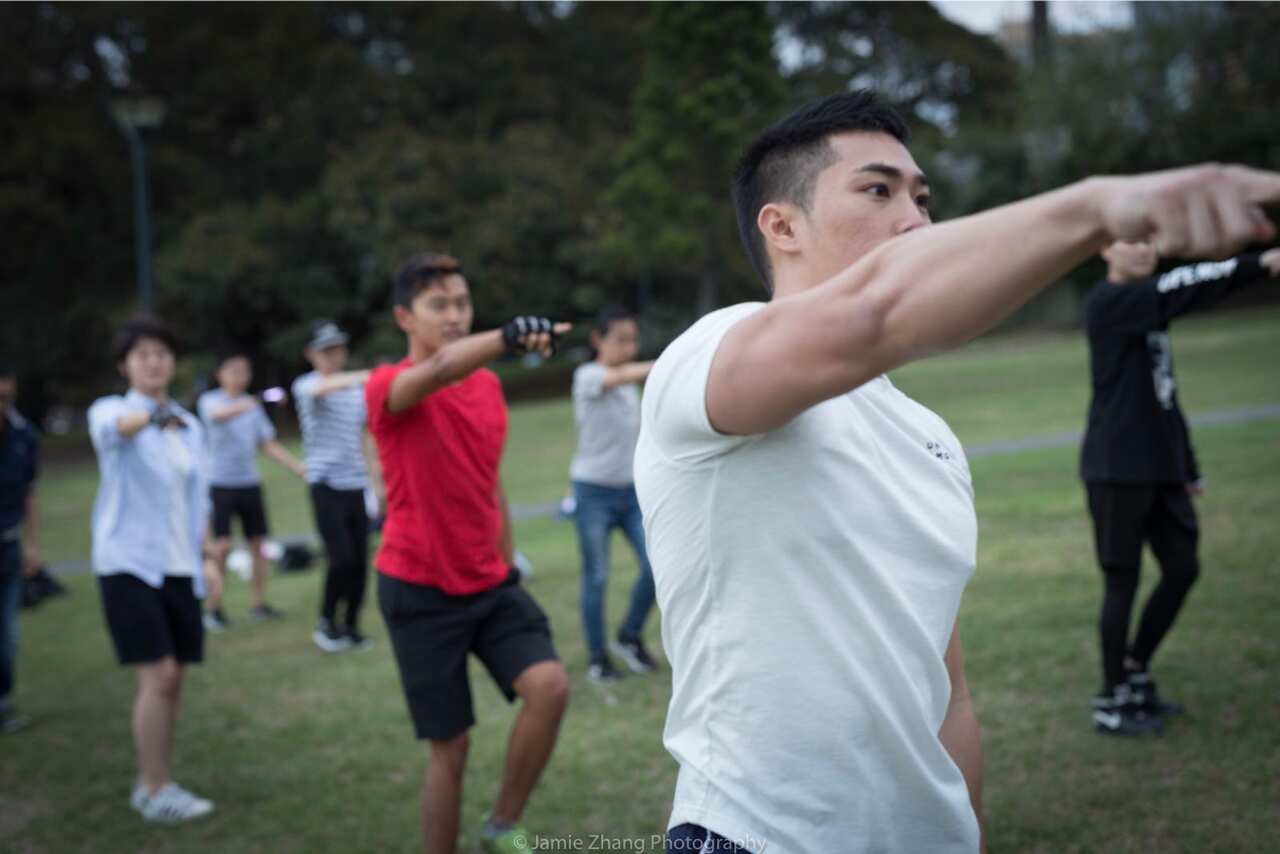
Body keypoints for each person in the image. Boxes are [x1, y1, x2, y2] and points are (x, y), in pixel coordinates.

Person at [632, 89, 1280, 854]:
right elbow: (876, 313)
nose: (915, 219)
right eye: (878, 191)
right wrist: (1100, 206)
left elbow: (950, 697)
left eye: (923, 197)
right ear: (782, 225)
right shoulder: (708, 354)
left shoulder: (929, 437)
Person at [365, 253, 570, 854]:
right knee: (450, 748)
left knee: (550, 686)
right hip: (418, 588)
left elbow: (489, 480)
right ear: (405, 316)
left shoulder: (487, 387)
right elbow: (444, 366)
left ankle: (502, 826)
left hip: (490, 582)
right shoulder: (388, 388)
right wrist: (507, 337)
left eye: (462, 302)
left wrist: (507, 562)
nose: (454, 315)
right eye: (439, 305)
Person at [1081, 242, 1280, 736]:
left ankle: (1135, 668)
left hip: (1162, 468)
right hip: (1116, 467)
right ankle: (1112, 701)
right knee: (1121, 581)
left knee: (1182, 568)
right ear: (1106, 247)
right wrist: (1256, 264)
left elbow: (1163, 390)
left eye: (1152, 239)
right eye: (1133, 239)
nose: (1146, 249)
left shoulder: (1148, 307)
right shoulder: (1109, 301)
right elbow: (1182, 288)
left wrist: (1186, 463)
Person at [88, 315, 215, 823]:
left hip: (179, 564)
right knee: (158, 672)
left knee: (174, 676)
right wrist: (150, 414)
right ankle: (155, 786)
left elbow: (197, 499)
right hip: (128, 563)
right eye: (142, 355)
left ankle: (155, 780)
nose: (154, 362)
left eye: (162, 353)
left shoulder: (190, 426)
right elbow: (114, 431)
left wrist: (209, 557)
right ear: (125, 365)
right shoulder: (113, 411)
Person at [568, 306, 657, 682]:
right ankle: (597, 658)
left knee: (657, 565)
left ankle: (629, 635)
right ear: (597, 341)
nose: (627, 347)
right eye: (619, 339)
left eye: (632, 339)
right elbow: (615, 377)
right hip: (593, 495)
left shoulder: (627, 385)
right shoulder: (588, 376)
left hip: (631, 492)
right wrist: (668, 362)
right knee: (598, 576)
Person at [197, 351, 305, 629]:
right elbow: (219, 416)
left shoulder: (252, 407)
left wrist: (297, 467)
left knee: (258, 545)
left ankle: (258, 605)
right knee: (221, 546)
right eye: (233, 370)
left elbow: (267, 444)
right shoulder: (210, 401)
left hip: (249, 483)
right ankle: (214, 608)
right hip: (219, 483)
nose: (240, 376)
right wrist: (257, 400)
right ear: (220, 374)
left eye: (244, 371)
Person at [292, 320, 381, 652]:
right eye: (325, 350)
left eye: (337, 348)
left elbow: (365, 435)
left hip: (355, 484)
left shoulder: (355, 391)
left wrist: (376, 481)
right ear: (311, 354)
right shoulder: (306, 385)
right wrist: (367, 375)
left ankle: (351, 626)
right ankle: (327, 622)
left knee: (360, 560)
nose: (333, 355)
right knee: (340, 558)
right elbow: (318, 390)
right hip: (325, 484)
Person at [0, 360, 40, 733]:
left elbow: (29, 493)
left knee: (8, 636)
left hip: (9, 546)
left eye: (6, 396)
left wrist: (33, 543)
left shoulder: (24, 434)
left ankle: (3, 703)